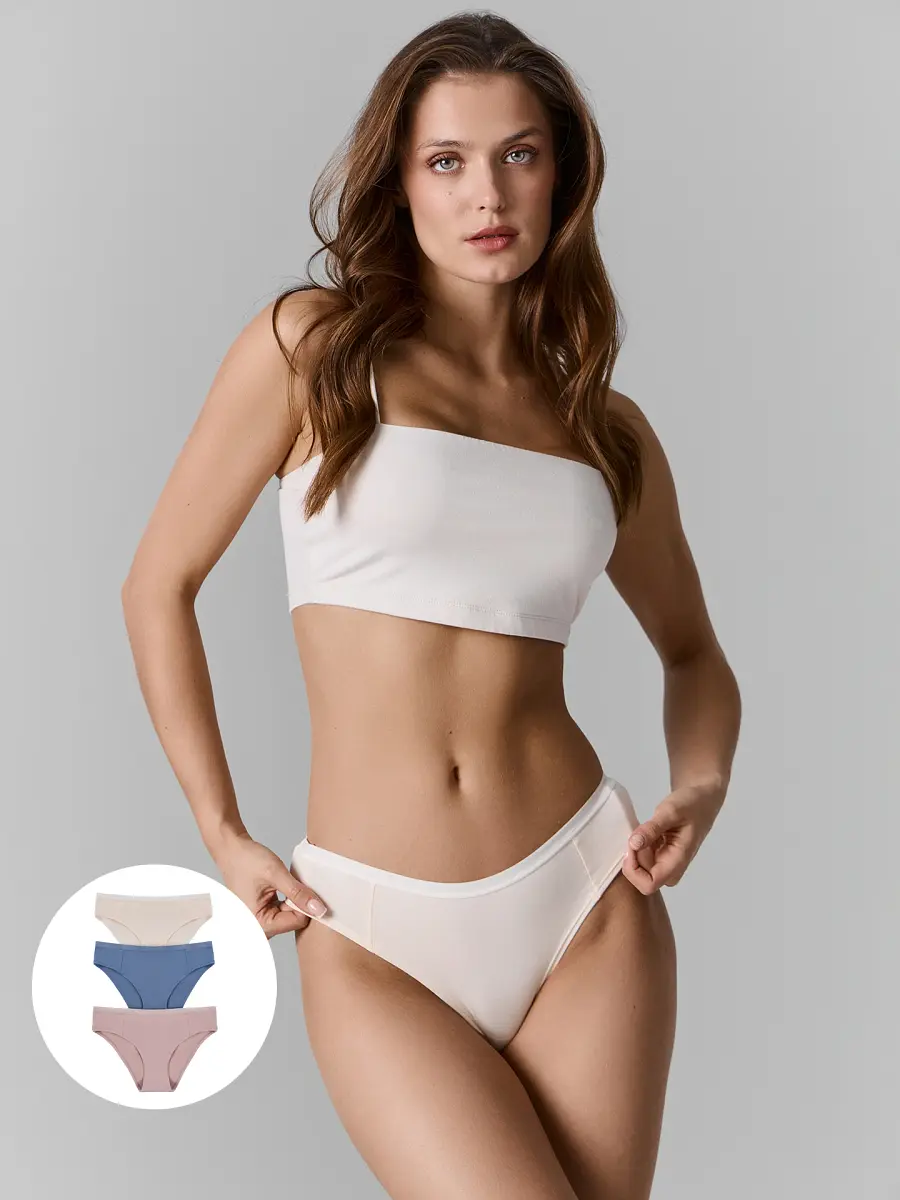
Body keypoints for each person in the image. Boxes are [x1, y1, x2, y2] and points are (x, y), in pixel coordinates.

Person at [121, 12, 741, 1199]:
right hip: (370, 922)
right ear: (399, 183)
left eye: (520, 154)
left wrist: (700, 787)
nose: (487, 193)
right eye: (447, 161)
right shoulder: (312, 353)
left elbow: (694, 652)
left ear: (562, 175)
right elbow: (158, 586)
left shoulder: (605, 431)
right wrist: (221, 829)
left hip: (585, 898)